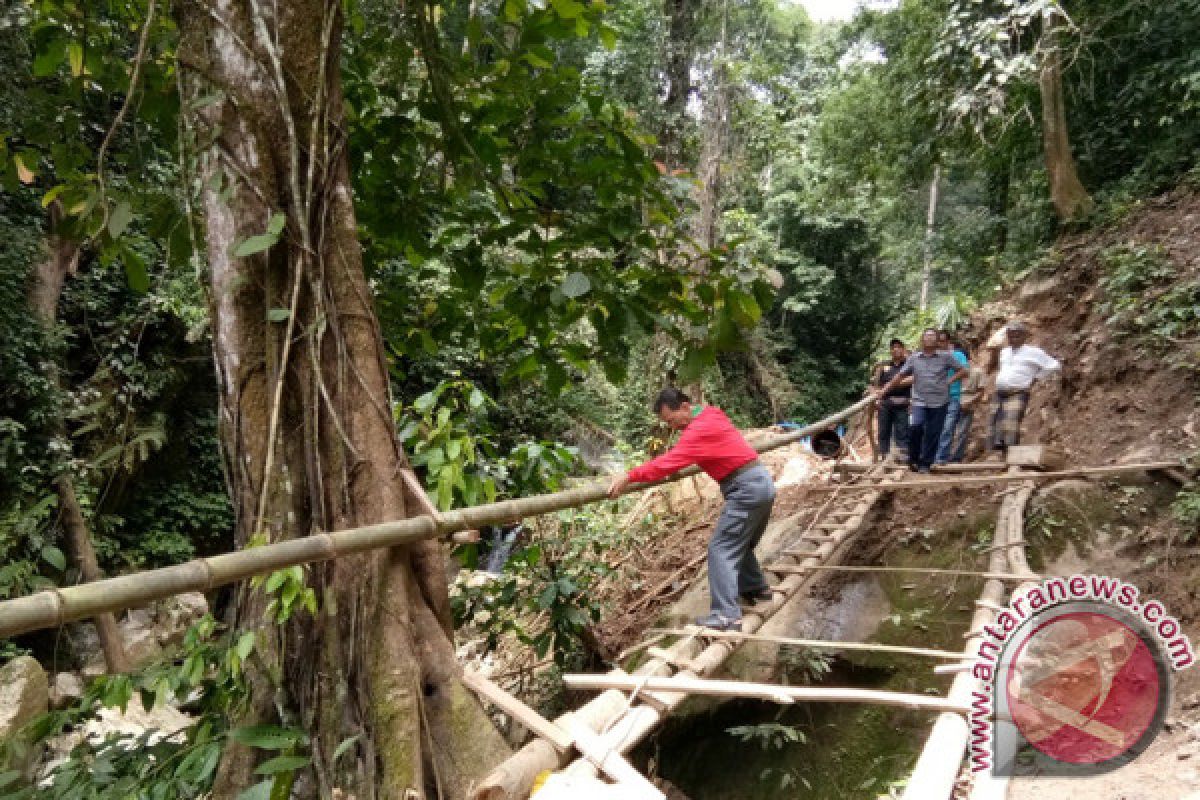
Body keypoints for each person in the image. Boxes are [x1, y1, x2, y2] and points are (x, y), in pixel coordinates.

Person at [607, 388, 776, 632]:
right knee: (743, 541)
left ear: (685, 407)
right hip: (761, 483)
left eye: (673, 420)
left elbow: (668, 462)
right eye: (668, 424)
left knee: (721, 549)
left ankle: (726, 616)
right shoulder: (711, 415)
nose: (673, 427)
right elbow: (693, 452)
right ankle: (757, 589)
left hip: (745, 490)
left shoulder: (697, 431)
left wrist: (629, 476)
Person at [874, 328, 968, 473]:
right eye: (927, 336)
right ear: (922, 340)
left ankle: (925, 464)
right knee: (916, 427)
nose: (929, 339)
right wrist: (884, 391)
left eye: (932, 336)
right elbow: (899, 377)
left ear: (937, 341)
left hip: (939, 402)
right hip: (919, 401)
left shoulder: (945, 357)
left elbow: (963, 371)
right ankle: (914, 459)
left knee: (933, 432)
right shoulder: (914, 358)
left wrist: (949, 381)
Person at [988, 321, 1061, 453]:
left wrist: (1036, 378)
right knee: (997, 426)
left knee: (1012, 424)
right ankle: (1001, 456)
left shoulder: (1034, 352)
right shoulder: (1004, 352)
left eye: (1017, 336)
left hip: (1018, 392)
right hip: (1000, 393)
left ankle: (1012, 456)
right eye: (1010, 336)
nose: (1013, 339)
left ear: (1024, 336)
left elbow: (1054, 365)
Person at [869, 338, 912, 461]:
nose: (896, 349)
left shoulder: (909, 366)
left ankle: (903, 459)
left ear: (903, 349)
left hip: (902, 403)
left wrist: (912, 401)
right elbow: (874, 385)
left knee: (902, 432)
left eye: (898, 347)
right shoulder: (883, 367)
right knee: (883, 431)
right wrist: (876, 399)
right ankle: (883, 456)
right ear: (890, 351)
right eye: (893, 347)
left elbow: (915, 382)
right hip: (885, 404)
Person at [934, 338, 971, 465]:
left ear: (949, 343)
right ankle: (934, 456)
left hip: (953, 396)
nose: (940, 344)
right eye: (938, 342)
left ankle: (941, 457)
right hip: (935, 398)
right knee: (935, 428)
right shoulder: (932, 357)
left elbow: (965, 371)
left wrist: (949, 381)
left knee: (947, 427)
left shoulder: (958, 355)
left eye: (943, 341)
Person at [948, 343, 986, 463]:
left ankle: (956, 458)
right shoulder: (953, 372)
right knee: (948, 430)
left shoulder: (977, 371)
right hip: (952, 401)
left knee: (962, 432)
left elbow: (981, 392)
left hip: (967, 404)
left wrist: (970, 403)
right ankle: (945, 456)